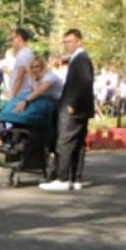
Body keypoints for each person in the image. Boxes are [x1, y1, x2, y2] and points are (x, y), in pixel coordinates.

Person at [41, 28, 94, 192]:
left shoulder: (80, 59)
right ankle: (76, 178)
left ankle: (62, 178)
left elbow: (85, 81)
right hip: (80, 109)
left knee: (64, 142)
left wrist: (73, 104)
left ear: (79, 42)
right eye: (65, 42)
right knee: (77, 143)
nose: (67, 45)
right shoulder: (79, 58)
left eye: (70, 42)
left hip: (73, 109)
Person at [6, 26, 36, 102]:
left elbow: (20, 77)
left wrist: (12, 99)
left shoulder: (24, 54)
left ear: (19, 38)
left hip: (20, 95)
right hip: (21, 95)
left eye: (12, 39)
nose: (11, 42)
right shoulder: (25, 53)